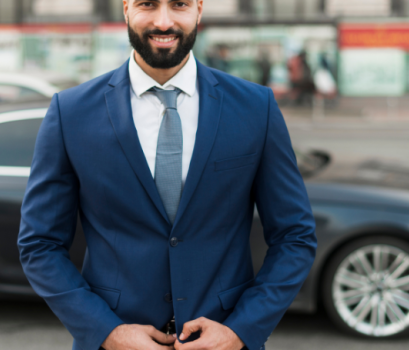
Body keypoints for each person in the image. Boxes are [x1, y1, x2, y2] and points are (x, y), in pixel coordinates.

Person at [18, 1, 317, 350]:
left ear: (199, 10)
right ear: (126, 8)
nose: (164, 21)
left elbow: (295, 237)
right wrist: (106, 331)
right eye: (147, 4)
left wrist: (240, 331)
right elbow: (40, 244)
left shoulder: (256, 107)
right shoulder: (70, 113)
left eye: (179, 4)